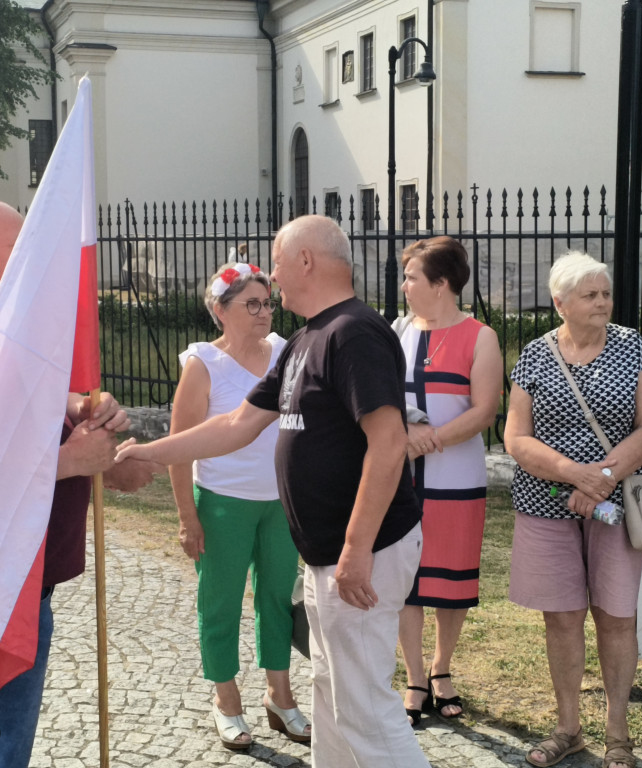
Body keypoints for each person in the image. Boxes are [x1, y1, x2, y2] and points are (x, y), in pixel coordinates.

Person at [116, 214, 432, 768]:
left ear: (306, 260)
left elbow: (388, 444)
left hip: (361, 553)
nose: (274, 276)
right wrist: (150, 450)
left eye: (278, 261)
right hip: (326, 554)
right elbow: (237, 423)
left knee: (366, 708)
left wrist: (356, 550)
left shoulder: (352, 332)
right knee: (333, 697)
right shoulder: (304, 339)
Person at [0, 198, 160, 768]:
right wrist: (71, 459)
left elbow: (4, 418)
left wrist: (73, 403)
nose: (31, 265)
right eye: (18, 250)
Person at [504, 251, 642, 768]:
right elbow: (515, 437)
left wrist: (603, 479)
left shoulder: (631, 349)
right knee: (563, 617)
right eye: (590, 295)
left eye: (606, 294)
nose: (602, 303)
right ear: (561, 302)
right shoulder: (534, 355)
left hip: (617, 502)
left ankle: (618, 734)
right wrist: (575, 474)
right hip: (545, 502)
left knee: (616, 616)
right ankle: (568, 727)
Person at [170, 262, 307, 750]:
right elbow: (180, 445)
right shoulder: (202, 363)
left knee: (276, 601)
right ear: (219, 310)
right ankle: (226, 699)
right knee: (221, 602)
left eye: (267, 302)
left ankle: (280, 696)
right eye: (251, 303)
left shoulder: (287, 352)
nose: (264, 312)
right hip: (223, 503)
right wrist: (188, 516)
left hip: (280, 503)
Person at [394, 237, 502, 724]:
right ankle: (415, 676)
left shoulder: (480, 337)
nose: (405, 285)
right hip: (399, 480)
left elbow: (484, 410)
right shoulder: (397, 331)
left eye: (413, 277)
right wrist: (407, 435)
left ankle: (442, 669)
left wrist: (429, 439)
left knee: (449, 580)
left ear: (441, 285)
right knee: (407, 582)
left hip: (456, 480)